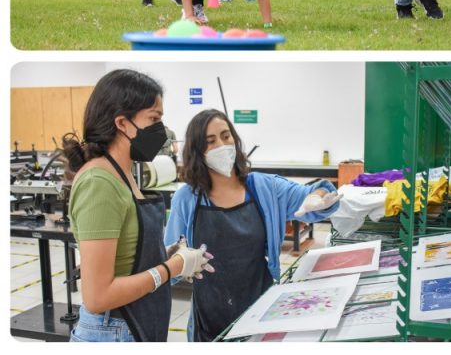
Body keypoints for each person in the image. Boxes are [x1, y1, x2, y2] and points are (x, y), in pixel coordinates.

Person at [165, 109, 340, 341]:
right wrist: (178, 263)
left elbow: (319, 191)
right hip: (208, 316)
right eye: (210, 141)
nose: (221, 145)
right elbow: (170, 261)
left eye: (226, 136)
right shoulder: (187, 198)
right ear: (197, 151)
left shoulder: (264, 188)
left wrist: (317, 198)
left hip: (260, 306)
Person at [63, 70, 211, 342]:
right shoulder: (99, 182)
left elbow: (126, 257)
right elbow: (97, 297)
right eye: (154, 119)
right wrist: (172, 268)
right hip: (113, 331)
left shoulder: (124, 174)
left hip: (136, 323)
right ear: (122, 123)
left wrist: (166, 255)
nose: (161, 130)